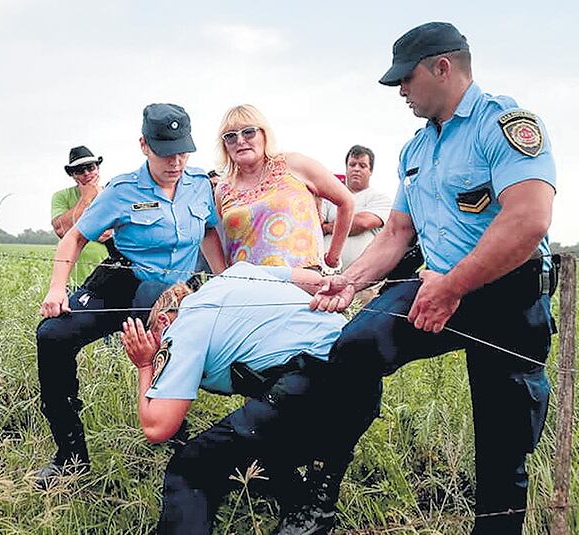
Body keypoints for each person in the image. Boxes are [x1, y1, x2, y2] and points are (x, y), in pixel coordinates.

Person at [301, 22, 559, 535]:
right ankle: (319, 494)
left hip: (507, 293)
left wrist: (453, 286)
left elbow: (529, 219)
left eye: (406, 78)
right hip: (438, 287)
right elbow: (397, 232)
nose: (400, 91)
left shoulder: (504, 123)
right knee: (355, 347)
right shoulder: (415, 150)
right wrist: (350, 281)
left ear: (442, 68)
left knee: (503, 445)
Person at [32, 103, 226, 489]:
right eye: (165, 152)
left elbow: (208, 231)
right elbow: (75, 235)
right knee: (51, 336)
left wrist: (223, 281)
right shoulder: (122, 190)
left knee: (166, 318)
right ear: (144, 145)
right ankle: (70, 456)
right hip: (122, 280)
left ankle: (177, 438)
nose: (175, 162)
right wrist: (57, 288)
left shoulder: (200, 186)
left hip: (172, 290)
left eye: (182, 152)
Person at [119, 261, 345, 534]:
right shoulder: (238, 272)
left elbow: (158, 427)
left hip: (308, 384)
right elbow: (315, 280)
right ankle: (305, 506)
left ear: (164, 320)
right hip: (357, 376)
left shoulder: (184, 325)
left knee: (190, 467)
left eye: (150, 344)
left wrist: (144, 365)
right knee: (255, 439)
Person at [214, 104, 354, 269]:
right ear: (224, 145)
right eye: (230, 136)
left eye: (248, 132)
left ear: (264, 134)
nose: (240, 140)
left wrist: (332, 257)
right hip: (246, 287)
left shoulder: (294, 164)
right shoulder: (223, 189)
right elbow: (220, 241)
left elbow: (346, 201)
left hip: (302, 283)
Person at [51, 145, 119, 286]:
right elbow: (61, 230)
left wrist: (87, 232)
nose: (87, 173)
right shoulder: (62, 196)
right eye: (80, 170)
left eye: (91, 167)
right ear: (73, 174)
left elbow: (119, 231)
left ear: (98, 168)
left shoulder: (113, 193)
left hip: (110, 275)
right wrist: (86, 199)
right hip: (74, 278)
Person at [320, 145, 392, 270]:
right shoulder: (329, 197)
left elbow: (362, 223)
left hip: (362, 283)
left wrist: (327, 227)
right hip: (324, 277)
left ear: (371, 171)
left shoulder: (381, 199)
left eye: (362, 166)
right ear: (346, 169)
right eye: (352, 165)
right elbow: (315, 225)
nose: (356, 169)